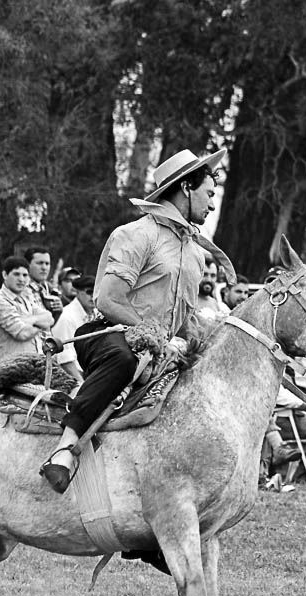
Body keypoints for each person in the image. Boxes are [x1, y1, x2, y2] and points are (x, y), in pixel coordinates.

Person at [41, 147, 233, 493]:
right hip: (108, 336)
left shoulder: (195, 253)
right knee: (123, 358)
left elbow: (186, 320)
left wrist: (215, 341)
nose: (213, 203)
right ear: (186, 188)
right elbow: (108, 299)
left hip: (163, 349)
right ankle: (64, 449)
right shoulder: (135, 234)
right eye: (209, 193)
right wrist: (156, 336)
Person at [0, 256, 55, 367]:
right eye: (16, 274)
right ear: (5, 275)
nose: (21, 279)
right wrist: (41, 324)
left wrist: (29, 320)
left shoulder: (26, 297)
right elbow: (22, 333)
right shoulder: (0, 301)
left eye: (25, 275)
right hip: (8, 368)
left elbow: (49, 318)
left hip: (30, 365)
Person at [50, 274, 96, 381]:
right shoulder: (67, 317)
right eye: (89, 292)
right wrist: (82, 386)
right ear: (77, 292)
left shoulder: (96, 314)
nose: (93, 296)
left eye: (97, 292)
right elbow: (65, 361)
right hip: (69, 377)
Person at [23, 245, 63, 322]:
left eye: (47, 264)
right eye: (39, 263)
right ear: (27, 265)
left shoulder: (48, 289)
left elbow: (48, 328)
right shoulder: (21, 288)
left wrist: (58, 313)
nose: (44, 268)